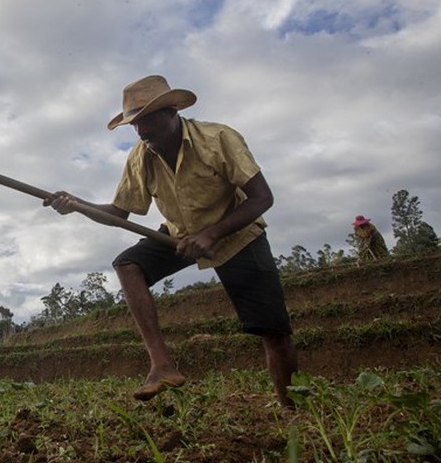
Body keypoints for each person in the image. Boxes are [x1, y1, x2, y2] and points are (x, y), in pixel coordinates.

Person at [45, 74, 298, 407]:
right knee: (128, 264)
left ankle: (290, 406)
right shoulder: (141, 155)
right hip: (180, 235)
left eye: (146, 120)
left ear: (171, 112)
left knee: (274, 333)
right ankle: (161, 364)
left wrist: (211, 233)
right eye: (134, 124)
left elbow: (262, 198)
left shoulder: (218, 138)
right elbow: (119, 214)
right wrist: (78, 206)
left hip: (237, 236)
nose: (140, 131)